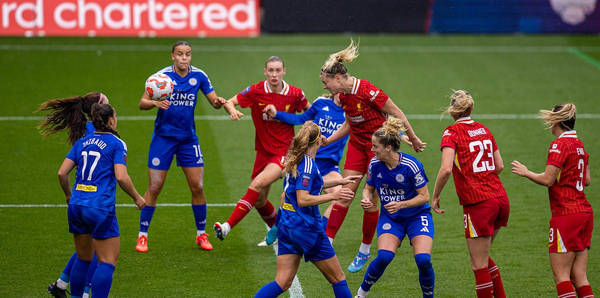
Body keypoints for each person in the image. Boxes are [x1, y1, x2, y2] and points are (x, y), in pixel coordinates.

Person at [319, 40, 426, 272]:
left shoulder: (367, 90)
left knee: (369, 200)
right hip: (357, 147)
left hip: (377, 149)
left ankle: (365, 249)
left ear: (337, 78)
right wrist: (329, 139)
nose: (325, 87)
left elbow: (397, 113)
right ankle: (326, 242)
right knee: (345, 193)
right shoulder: (343, 96)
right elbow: (350, 122)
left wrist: (413, 138)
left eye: (326, 83)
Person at [136, 41, 226, 252]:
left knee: (198, 186)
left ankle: (201, 234)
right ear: (172, 57)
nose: (184, 58)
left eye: (187, 54)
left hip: (188, 140)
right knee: (155, 187)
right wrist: (155, 103)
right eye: (180, 54)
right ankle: (142, 235)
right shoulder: (161, 78)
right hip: (163, 139)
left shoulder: (199, 76)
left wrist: (219, 102)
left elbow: (212, 101)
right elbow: (142, 103)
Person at [254, 123, 357, 298]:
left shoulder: (296, 159)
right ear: (316, 141)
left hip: (288, 227)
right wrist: (334, 196)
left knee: (282, 282)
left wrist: (340, 181)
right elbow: (303, 199)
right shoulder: (308, 164)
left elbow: (309, 184)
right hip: (306, 229)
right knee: (338, 278)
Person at [213, 56, 308, 240]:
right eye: (270, 70)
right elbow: (230, 102)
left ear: (284, 71)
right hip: (263, 151)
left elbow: (310, 113)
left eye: (277, 70)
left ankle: (226, 227)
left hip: (284, 152)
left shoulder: (295, 94)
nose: (274, 74)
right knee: (259, 200)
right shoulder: (256, 91)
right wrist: (231, 110)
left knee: (256, 185)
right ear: (265, 71)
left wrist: (307, 138)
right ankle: (283, 234)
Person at [57, 103, 146, 298]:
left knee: (83, 258)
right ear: (111, 120)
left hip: (77, 204)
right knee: (107, 262)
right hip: (99, 207)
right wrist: (137, 198)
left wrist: (68, 194)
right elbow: (121, 177)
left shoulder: (82, 142)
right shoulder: (116, 143)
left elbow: (62, 173)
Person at [431, 90, 509, 298]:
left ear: (452, 110)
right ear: (471, 108)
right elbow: (499, 165)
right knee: (483, 257)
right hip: (500, 198)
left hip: (479, 202)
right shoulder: (484, 129)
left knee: (478, 265)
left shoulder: (451, 133)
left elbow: (446, 169)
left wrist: (435, 195)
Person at [511, 103, 593, 298]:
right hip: (584, 213)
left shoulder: (559, 144)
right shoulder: (579, 144)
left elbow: (548, 179)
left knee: (562, 277)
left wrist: (527, 172)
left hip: (566, 215)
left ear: (556, 121)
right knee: (580, 276)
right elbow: (587, 180)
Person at [38, 92, 109, 298]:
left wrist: (69, 196)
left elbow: (62, 172)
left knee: (85, 247)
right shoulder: (101, 133)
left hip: (78, 197)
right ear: (98, 109)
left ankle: (61, 284)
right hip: (96, 199)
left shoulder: (84, 131)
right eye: (106, 102)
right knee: (98, 248)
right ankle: (86, 291)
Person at [355, 117, 434, 298]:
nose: (372, 149)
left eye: (375, 146)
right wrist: (366, 198)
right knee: (384, 257)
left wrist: (401, 204)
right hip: (391, 218)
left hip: (416, 216)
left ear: (388, 147)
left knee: (423, 259)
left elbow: (425, 197)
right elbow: (368, 189)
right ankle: (361, 294)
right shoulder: (375, 165)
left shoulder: (411, 166)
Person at [262, 93, 349, 243]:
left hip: (329, 166)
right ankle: (277, 226)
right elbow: (301, 119)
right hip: (309, 160)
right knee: (286, 196)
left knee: (340, 197)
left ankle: (323, 235)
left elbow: (375, 123)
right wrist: (277, 114)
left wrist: (398, 134)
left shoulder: (352, 112)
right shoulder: (321, 103)